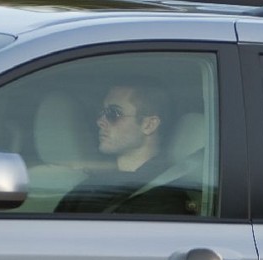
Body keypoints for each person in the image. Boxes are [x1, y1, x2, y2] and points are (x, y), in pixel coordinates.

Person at [57, 75, 199, 215]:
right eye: (102, 112)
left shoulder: (166, 199)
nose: (100, 121)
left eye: (114, 113)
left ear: (148, 125)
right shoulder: (91, 186)